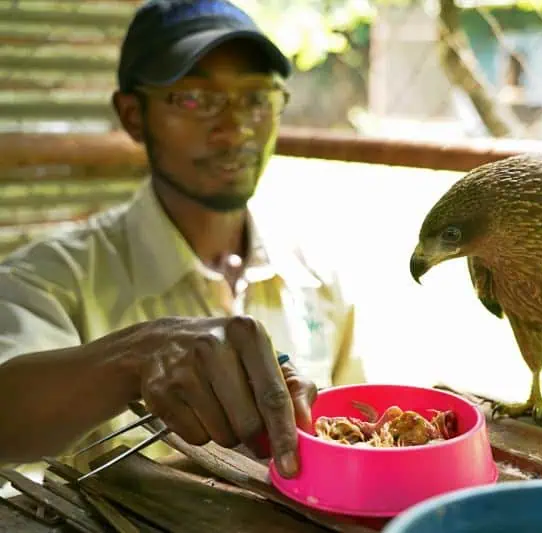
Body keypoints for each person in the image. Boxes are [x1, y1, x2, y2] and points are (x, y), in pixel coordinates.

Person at [0, 0, 364, 478]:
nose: (234, 128)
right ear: (133, 115)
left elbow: (356, 431)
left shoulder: (316, 281)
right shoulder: (49, 281)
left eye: (257, 98)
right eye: (194, 99)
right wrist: (131, 357)